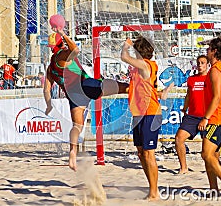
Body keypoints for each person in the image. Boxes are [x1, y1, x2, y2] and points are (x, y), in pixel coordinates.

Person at [43, 14, 129, 171]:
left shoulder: (50, 68)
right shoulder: (62, 55)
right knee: (123, 87)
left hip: (73, 95)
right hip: (84, 85)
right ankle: (149, 93)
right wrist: (62, 33)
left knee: (77, 127)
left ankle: (72, 155)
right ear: (60, 44)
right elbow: (75, 49)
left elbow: (46, 89)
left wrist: (49, 105)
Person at [120, 36, 162, 201]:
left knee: (149, 153)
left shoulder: (146, 65)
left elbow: (124, 57)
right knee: (141, 153)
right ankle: (151, 189)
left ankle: (154, 191)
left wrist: (126, 45)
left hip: (150, 113)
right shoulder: (138, 69)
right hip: (138, 113)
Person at [198, 37, 221, 199]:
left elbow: (217, 97)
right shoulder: (220, 68)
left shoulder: (216, 70)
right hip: (220, 116)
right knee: (212, 156)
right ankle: (214, 189)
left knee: (206, 154)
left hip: (218, 117)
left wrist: (206, 118)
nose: (206, 51)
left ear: (214, 51)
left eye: (208, 49)